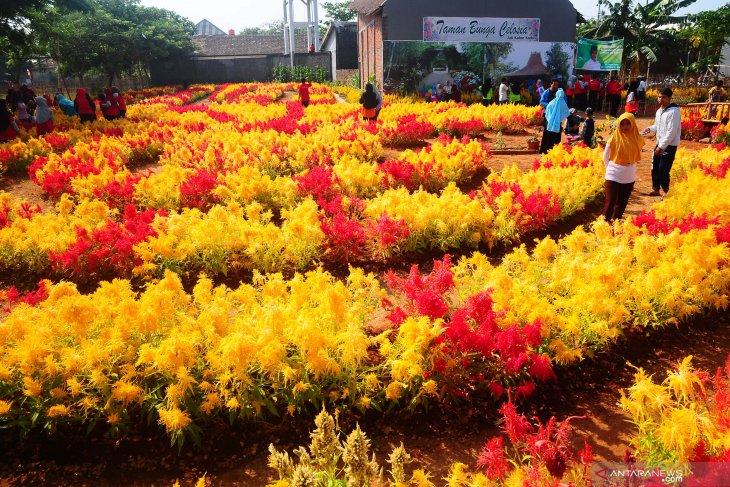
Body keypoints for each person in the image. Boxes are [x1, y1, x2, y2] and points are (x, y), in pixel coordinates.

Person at [603, 112, 644, 223]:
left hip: (629, 176)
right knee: (610, 201)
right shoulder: (613, 139)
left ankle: (616, 222)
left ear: (633, 124)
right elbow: (605, 157)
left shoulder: (638, 139)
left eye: (628, 123)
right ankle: (604, 224)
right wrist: (610, 171)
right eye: (622, 124)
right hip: (613, 174)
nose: (625, 126)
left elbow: (635, 156)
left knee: (622, 202)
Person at [641, 87, 681, 196]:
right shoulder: (659, 111)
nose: (661, 99)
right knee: (655, 168)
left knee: (663, 169)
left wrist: (662, 146)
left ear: (669, 98)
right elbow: (657, 126)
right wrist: (648, 130)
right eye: (659, 97)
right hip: (659, 143)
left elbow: (671, 132)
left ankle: (666, 191)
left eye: (664, 97)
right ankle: (656, 189)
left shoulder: (674, 112)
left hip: (669, 146)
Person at [539, 88, 569, 154]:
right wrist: (559, 119)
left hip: (548, 123)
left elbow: (546, 113)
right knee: (556, 139)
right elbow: (567, 113)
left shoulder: (551, 103)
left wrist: (551, 119)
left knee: (547, 138)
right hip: (558, 124)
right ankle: (554, 153)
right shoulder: (563, 104)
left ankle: (544, 151)